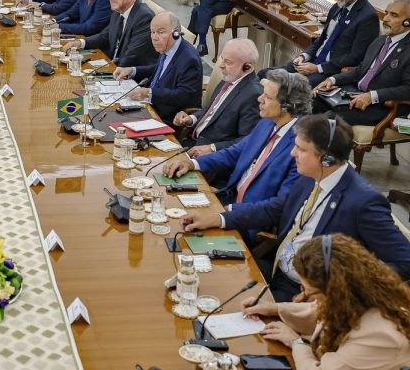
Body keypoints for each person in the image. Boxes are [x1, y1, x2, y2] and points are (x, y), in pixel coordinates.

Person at [180, 114, 410, 301]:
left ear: (326, 159)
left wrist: (340, 290)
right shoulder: (311, 177)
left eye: (300, 149)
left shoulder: (363, 202)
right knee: (196, 279)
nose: (292, 153)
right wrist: (219, 218)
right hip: (276, 272)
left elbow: (404, 262)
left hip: (305, 296)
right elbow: (274, 208)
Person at [243, 235, 410, 369]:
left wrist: (296, 342)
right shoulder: (360, 294)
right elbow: (318, 309)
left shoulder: (379, 335)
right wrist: (273, 308)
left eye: (308, 291)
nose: (303, 296)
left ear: (336, 290)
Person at [164, 69, 309, 219]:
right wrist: (192, 164)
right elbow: (234, 153)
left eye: (267, 97)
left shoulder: (301, 147)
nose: (260, 99)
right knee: (167, 204)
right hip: (227, 199)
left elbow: (279, 205)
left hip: (246, 220)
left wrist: (225, 215)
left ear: (287, 106)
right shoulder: (266, 123)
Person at [312, 0, 410, 125]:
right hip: (355, 93)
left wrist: (372, 96)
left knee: (327, 121)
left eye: (394, 15)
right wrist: (332, 80)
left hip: (381, 106)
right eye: (386, 13)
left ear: (407, 22)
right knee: (310, 101)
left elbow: (408, 89)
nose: (385, 19)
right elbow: (361, 70)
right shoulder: (380, 41)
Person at [278, 0, 379, 86]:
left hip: (330, 72)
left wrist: (318, 68)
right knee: (266, 74)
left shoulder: (368, 17)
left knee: (286, 86)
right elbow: (321, 39)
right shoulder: (337, 7)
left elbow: (355, 57)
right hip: (311, 62)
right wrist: (304, 56)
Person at [173, 38, 262, 155]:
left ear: (247, 67)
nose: (221, 66)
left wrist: (212, 148)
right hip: (190, 141)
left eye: (228, 62)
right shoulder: (229, 78)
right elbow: (210, 111)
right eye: (222, 59)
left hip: (210, 155)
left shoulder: (254, 95)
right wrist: (191, 119)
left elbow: (246, 141)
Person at [113, 11, 202, 125]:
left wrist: (149, 93)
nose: (154, 37)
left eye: (160, 32)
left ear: (176, 33)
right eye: (152, 32)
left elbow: (184, 95)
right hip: (149, 107)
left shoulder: (189, 59)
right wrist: (132, 70)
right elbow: (161, 70)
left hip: (168, 117)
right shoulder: (169, 47)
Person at [63, 0, 156, 67]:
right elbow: (106, 35)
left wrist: (104, 69)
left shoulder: (144, 17)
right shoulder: (118, 10)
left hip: (128, 75)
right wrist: (80, 43)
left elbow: (132, 56)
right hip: (113, 65)